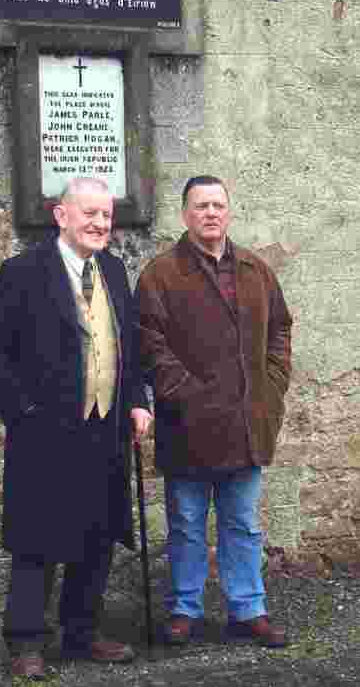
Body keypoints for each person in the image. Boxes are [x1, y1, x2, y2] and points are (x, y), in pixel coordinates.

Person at [0, 177, 152, 680]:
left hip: (105, 428)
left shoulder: (113, 272)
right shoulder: (23, 272)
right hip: (43, 434)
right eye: (89, 213)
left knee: (95, 534)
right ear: (61, 216)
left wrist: (137, 401)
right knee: (37, 538)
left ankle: (81, 632)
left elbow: (129, 348)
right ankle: (27, 642)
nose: (99, 223)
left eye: (106, 215)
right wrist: (23, 414)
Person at [135, 175, 292, 648]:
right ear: (185, 214)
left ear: (229, 212)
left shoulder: (256, 270)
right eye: (201, 205)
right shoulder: (160, 274)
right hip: (188, 425)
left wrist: (271, 387)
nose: (211, 213)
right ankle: (185, 608)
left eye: (218, 205)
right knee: (185, 523)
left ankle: (249, 609)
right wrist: (186, 393)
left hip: (247, 424)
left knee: (242, 523)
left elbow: (281, 330)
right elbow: (149, 343)